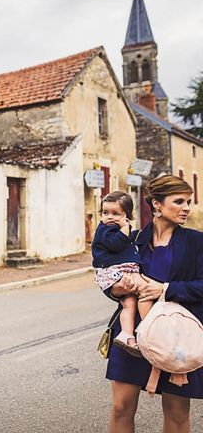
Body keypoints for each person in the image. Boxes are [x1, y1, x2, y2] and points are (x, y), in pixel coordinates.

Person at [106, 175, 203, 433]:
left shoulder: (197, 242)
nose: (186, 208)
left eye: (189, 202)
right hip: (132, 337)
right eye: (179, 201)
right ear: (157, 205)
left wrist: (167, 289)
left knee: (177, 412)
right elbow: (109, 275)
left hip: (177, 336)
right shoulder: (132, 240)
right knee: (121, 407)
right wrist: (116, 288)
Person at [92, 191, 149, 357]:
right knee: (145, 290)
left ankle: (127, 335)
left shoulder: (119, 228)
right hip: (114, 272)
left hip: (118, 271)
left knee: (129, 303)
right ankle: (149, 328)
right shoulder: (105, 229)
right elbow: (115, 244)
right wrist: (124, 228)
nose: (109, 217)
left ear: (127, 214)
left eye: (115, 213)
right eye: (105, 213)